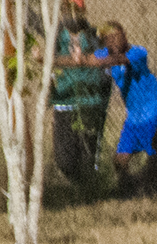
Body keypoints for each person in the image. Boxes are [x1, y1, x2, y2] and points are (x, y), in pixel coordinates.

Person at [86, 22, 157, 195]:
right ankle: (129, 191)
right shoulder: (104, 54)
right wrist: (47, 59)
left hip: (155, 110)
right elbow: (85, 60)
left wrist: (99, 62)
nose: (117, 41)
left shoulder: (138, 53)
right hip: (135, 116)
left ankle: (155, 184)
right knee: (120, 160)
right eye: (110, 39)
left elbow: (120, 60)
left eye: (119, 36)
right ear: (104, 42)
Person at [50, 0, 112, 186]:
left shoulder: (93, 36)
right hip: (64, 100)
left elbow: (104, 66)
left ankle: (89, 189)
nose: (73, 15)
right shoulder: (56, 36)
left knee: (88, 153)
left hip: (89, 101)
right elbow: (48, 62)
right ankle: (75, 184)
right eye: (68, 9)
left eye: (77, 10)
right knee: (64, 158)